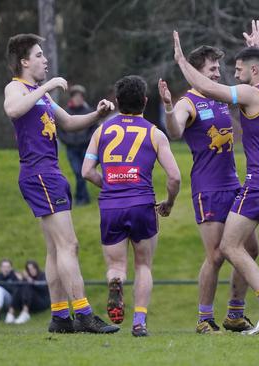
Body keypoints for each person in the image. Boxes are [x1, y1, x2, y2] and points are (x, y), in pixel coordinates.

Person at [173, 20, 259, 335]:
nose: (233, 73)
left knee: (229, 246)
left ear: (253, 72)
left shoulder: (251, 94)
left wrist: (182, 63)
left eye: (239, 69)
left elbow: (212, 88)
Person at [3, 33, 119, 334]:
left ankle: (59, 317)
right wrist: (48, 84)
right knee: (70, 245)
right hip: (39, 173)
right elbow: (13, 110)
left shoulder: (39, 94)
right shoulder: (16, 87)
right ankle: (83, 314)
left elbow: (68, 121)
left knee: (56, 250)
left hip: (49, 173)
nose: (45, 59)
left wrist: (98, 115)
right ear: (25, 61)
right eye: (39, 55)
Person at [158, 45, 259, 334]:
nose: (217, 72)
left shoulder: (220, 98)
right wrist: (167, 107)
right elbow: (175, 131)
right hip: (208, 188)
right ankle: (204, 318)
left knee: (249, 249)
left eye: (217, 67)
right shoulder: (187, 102)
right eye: (212, 68)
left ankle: (235, 314)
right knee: (216, 255)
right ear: (195, 72)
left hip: (234, 184)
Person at [82, 75, 182, 337]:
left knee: (116, 267)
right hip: (142, 204)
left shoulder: (101, 131)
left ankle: (115, 282)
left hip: (111, 206)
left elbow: (86, 172)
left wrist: (111, 186)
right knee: (143, 266)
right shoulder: (154, 133)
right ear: (145, 102)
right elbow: (174, 177)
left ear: (117, 101)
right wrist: (169, 203)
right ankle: (139, 322)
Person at [58, 84, 95, 206]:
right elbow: (60, 131)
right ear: (72, 98)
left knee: (83, 173)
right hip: (71, 149)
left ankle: (81, 198)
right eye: (76, 96)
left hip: (85, 148)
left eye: (80, 97)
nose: (78, 99)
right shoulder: (65, 113)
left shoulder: (89, 112)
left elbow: (94, 129)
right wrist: (69, 141)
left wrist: (85, 140)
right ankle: (82, 198)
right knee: (78, 172)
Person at [5, 260, 50, 324]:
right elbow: (16, 291)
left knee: (26, 285)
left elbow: (43, 288)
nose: (32, 270)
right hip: (29, 303)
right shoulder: (26, 278)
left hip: (41, 302)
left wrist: (29, 280)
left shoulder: (43, 275)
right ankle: (10, 313)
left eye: (33, 268)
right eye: (29, 269)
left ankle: (25, 313)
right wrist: (20, 280)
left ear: (36, 268)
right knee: (21, 286)